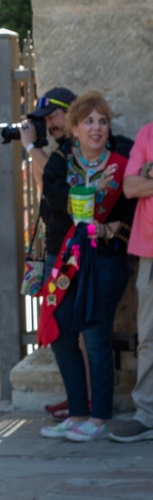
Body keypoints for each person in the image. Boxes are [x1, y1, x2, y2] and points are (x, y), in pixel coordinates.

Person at [37, 92, 135, 442]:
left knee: (95, 337)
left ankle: (99, 417)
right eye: (89, 121)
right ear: (74, 128)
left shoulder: (123, 164)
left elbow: (127, 218)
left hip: (106, 261)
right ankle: (77, 412)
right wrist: (93, 191)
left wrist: (105, 226)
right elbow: (55, 201)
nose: (96, 128)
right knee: (61, 335)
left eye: (102, 121)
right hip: (66, 261)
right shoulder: (60, 163)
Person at [108, 120, 153, 443]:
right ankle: (147, 413)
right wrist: (142, 177)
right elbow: (130, 187)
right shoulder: (147, 134)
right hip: (150, 252)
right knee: (149, 337)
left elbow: (142, 182)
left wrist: (150, 174)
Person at [20, 86, 77, 186]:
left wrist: (31, 147)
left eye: (51, 117)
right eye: (44, 120)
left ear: (70, 113)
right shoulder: (63, 148)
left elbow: (57, 175)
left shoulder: (85, 143)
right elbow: (46, 190)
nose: (48, 125)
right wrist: (36, 144)